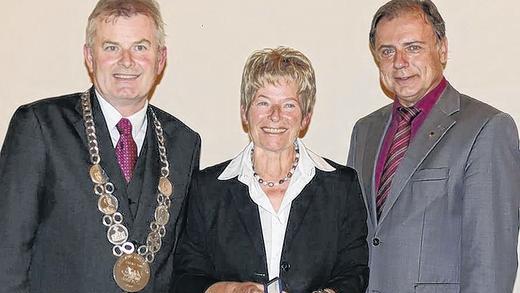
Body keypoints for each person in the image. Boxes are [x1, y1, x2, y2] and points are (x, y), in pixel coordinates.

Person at [0, 0, 200, 292]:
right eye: (111, 47)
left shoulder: (185, 143)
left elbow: (179, 264)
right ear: (89, 57)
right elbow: (6, 256)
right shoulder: (40, 127)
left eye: (141, 47)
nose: (127, 61)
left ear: (160, 60)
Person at [347, 0, 520, 292]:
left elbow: (489, 264)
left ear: (442, 49)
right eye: (387, 51)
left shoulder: (487, 128)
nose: (399, 62)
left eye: (413, 47)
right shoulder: (365, 131)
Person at [171, 47, 368, 293]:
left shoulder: (342, 186)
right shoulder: (207, 188)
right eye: (263, 102)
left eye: (288, 105)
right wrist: (231, 290)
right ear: (245, 112)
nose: (275, 116)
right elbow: (186, 277)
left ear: (305, 117)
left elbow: (354, 272)